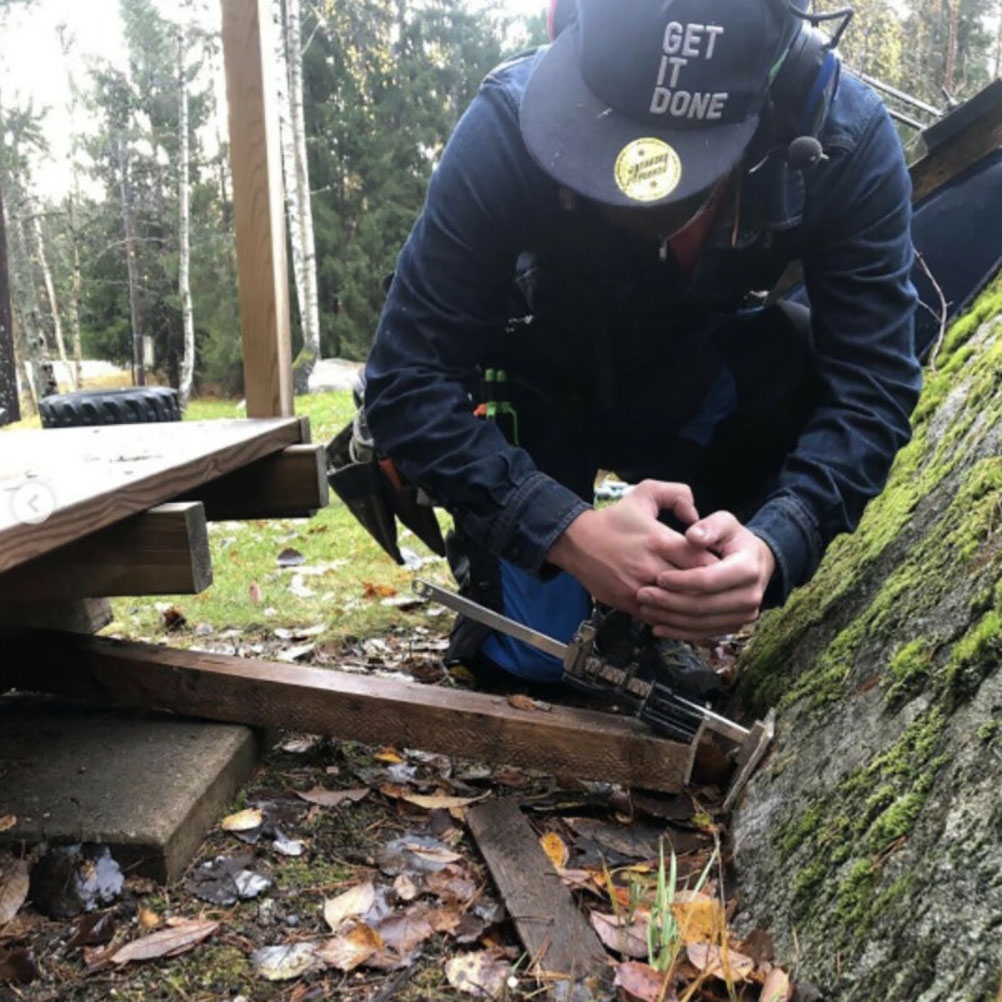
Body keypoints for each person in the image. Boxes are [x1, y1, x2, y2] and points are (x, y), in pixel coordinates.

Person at [361, 0, 921, 686]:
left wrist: (780, 538)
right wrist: (563, 530)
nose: (636, 198)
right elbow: (405, 378)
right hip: (537, 383)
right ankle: (515, 565)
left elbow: (873, 385)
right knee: (535, 659)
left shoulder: (841, 143)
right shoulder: (508, 124)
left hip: (682, 386)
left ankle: (670, 586)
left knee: (787, 364)